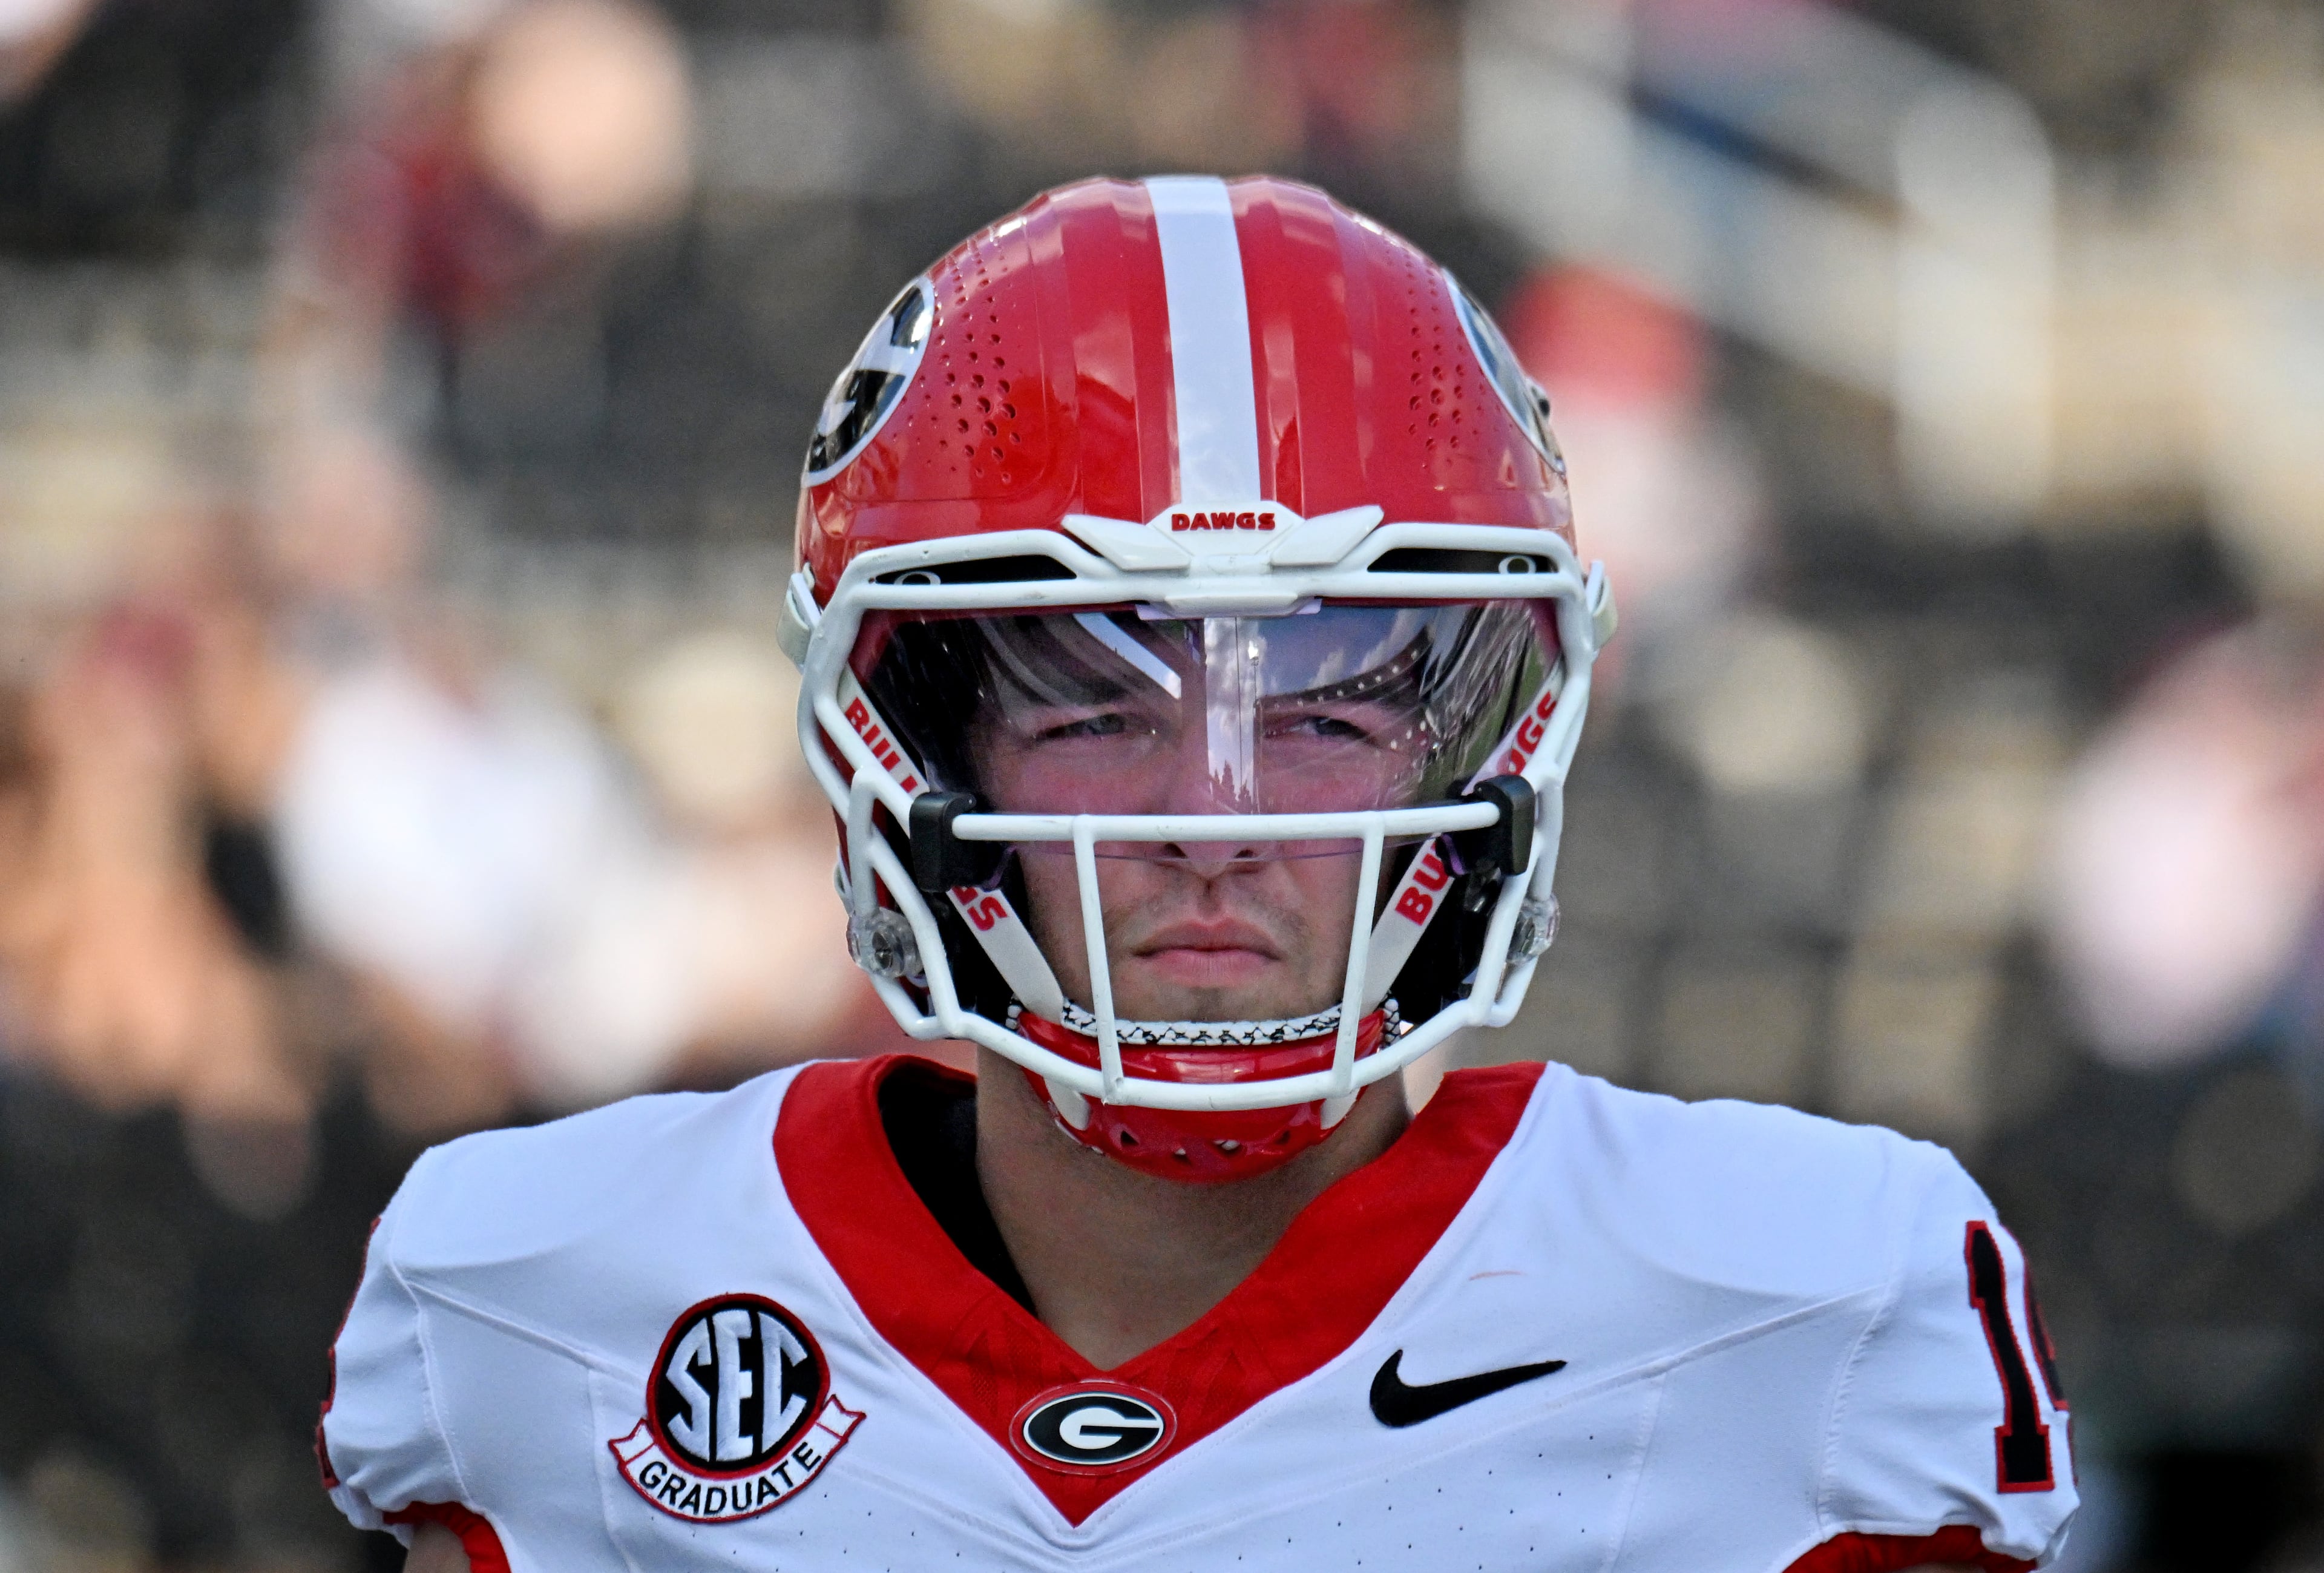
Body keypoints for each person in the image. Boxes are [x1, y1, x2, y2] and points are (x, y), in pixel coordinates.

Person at [317, 176, 2078, 1572]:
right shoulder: (547, 1307)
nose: (1212, 815)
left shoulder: (1802, 1317)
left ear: (1489, 736)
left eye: (1326, 708)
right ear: (910, 741)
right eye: (1093, 706)